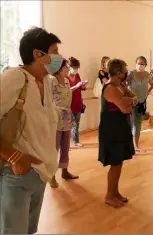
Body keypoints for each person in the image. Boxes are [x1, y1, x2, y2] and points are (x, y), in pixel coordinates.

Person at [0, 27, 61, 234]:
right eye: (54, 51)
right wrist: (14, 156)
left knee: (27, 230)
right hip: (17, 174)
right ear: (38, 54)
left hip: (40, 173)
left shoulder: (45, 81)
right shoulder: (15, 77)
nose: (58, 57)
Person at [98, 59, 137, 208]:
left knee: (119, 162)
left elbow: (135, 98)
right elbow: (125, 109)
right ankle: (109, 195)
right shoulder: (109, 88)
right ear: (119, 72)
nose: (127, 71)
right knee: (115, 163)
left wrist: (129, 100)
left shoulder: (120, 85)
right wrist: (129, 101)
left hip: (121, 126)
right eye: (125, 69)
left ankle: (115, 192)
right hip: (111, 129)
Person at [49, 59, 79, 188]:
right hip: (55, 116)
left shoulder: (66, 81)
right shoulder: (51, 80)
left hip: (66, 115)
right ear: (60, 69)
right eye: (66, 67)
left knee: (65, 146)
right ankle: (51, 176)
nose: (68, 69)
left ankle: (65, 171)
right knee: (54, 148)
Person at [127, 56, 153, 152]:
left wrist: (147, 92)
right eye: (138, 63)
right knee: (130, 122)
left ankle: (136, 145)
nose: (140, 65)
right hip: (131, 102)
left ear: (145, 65)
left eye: (142, 63)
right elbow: (125, 84)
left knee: (137, 123)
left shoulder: (147, 74)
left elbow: (152, 83)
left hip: (141, 102)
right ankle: (128, 144)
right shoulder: (131, 73)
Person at [67, 57, 88, 148]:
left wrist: (82, 85)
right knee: (67, 125)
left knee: (76, 123)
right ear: (69, 67)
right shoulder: (65, 77)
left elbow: (80, 88)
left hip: (78, 102)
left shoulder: (77, 75)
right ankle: (65, 144)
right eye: (74, 67)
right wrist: (76, 85)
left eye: (77, 68)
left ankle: (76, 141)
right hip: (68, 104)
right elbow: (66, 90)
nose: (76, 70)